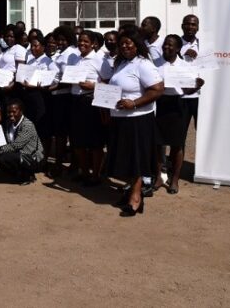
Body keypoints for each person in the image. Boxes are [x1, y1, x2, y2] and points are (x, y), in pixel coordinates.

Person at [100, 27, 164, 216]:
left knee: (136, 160)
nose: (125, 46)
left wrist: (134, 103)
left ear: (137, 45)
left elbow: (158, 89)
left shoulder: (143, 64)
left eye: (129, 43)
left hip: (137, 120)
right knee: (125, 159)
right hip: (120, 120)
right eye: (122, 44)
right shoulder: (121, 63)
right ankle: (131, 191)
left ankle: (136, 197)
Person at [154, 34, 204, 194]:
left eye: (170, 46)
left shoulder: (185, 66)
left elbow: (188, 89)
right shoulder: (155, 64)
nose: (166, 48)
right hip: (159, 105)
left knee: (177, 144)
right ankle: (159, 177)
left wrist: (196, 87)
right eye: (164, 46)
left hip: (178, 106)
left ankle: (174, 179)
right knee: (157, 143)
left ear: (177, 48)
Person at [68, 31, 107, 185]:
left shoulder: (99, 60)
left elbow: (109, 81)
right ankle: (84, 172)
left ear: (93, 44)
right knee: (78, 141)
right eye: (80, 41)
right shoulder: (76, 59)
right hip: (75, 101)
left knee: (95, 142)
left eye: (85, 41)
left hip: (91, 102)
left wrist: (93, 85)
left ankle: (95, 175)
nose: (81, 44)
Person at [46, 26, 79, 177]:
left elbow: (68, 79)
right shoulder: (62, 53)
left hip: (63, 96)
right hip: (58, 95)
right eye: (58, 39)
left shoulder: (70, 54)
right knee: (63, 132)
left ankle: (60, 165)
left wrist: (52, 87)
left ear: (70, 39)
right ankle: (71, 164)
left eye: (63, 39)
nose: (60, 42)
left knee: (61, 133)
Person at [0, 99, 44, 185]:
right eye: (9, 112)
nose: (11, 114)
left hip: (32, 157)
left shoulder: (27, 125)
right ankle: (19, 174)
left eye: (14, 112)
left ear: (21, 111)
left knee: (3, 157)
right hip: (17, 154)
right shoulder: (8, 123)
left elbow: (16, 145)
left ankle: (27, 175)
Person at [180, 14, 202, 127]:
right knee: (180, 133)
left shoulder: (203, 45)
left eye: (193, 24)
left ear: (197, 27)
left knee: (203, 132)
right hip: (181, 96)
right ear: (182, 26)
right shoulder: (175, 44)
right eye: (187, 24)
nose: (190, 27)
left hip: (201, 97)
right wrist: (182, 52)